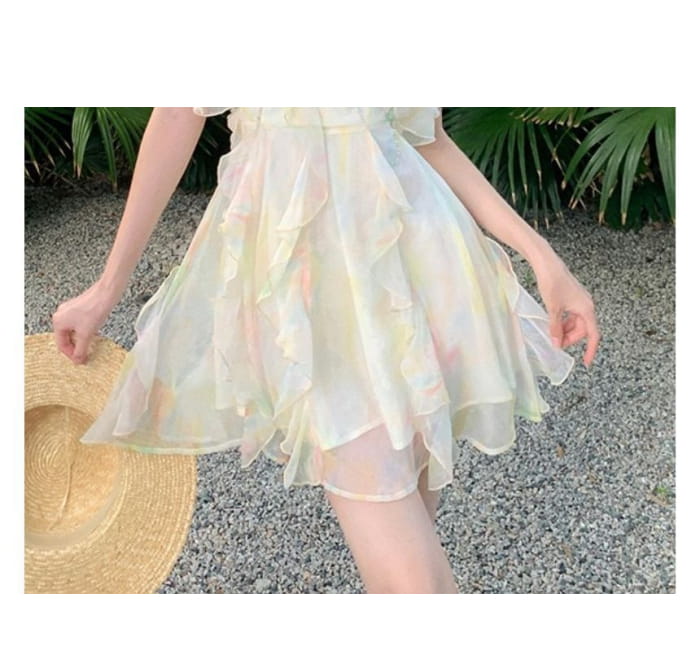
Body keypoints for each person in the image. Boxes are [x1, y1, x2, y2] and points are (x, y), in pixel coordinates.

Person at [52, 107, 600, 594]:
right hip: (306, 301)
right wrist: (105, 290)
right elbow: (177, 113)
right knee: (414, 580)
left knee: (409, 529)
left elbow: (427, 137)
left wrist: (544, 260)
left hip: (417, 280)